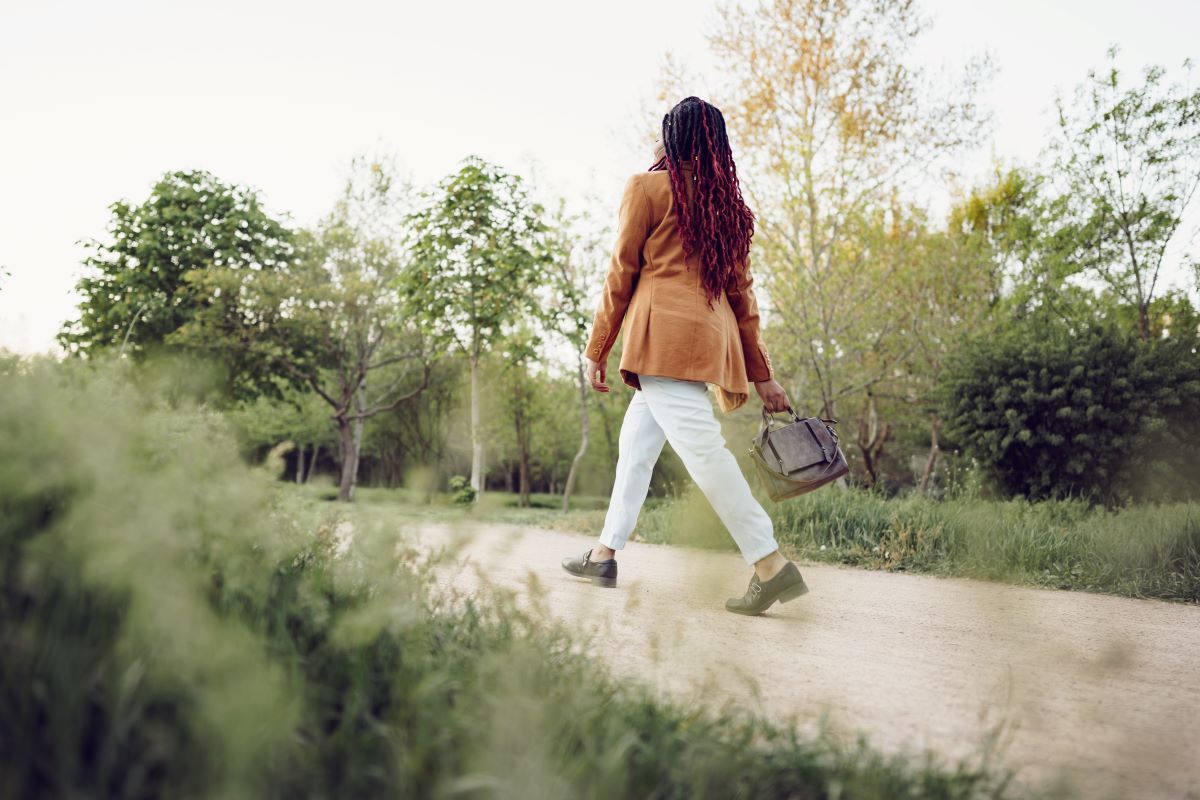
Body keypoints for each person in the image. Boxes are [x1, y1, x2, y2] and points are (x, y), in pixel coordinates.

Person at [561, 96, 809, 616]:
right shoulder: (728, 208)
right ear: (717, 145)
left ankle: (770, 564)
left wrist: (597, 347)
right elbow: (743, 300)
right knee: (636, 450)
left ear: (671, 138)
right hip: (707, 345)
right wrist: (762, 374)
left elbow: (621, 273)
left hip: (662, 344)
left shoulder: (647, 188)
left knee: (706, 456)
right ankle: (604, 554)